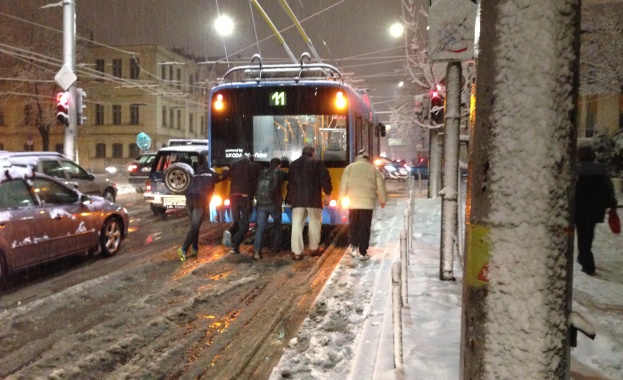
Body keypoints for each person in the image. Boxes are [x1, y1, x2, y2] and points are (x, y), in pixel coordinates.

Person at [574, 145, 617, 276]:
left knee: (582, 235)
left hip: (579, 209)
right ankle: (583, 257)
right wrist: (612, 204)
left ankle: (587, 263)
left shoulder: (576, 170)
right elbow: (609, 187)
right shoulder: (600, 169)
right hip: (595, 209)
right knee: (588, 233)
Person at [338, 150, 387, 261]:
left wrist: (340, 200)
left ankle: (354, 248)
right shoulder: (373, 170)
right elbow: (380, 186)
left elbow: (343, 185)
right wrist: (382, 200)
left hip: (353, 203)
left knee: (354, 224)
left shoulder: (349, 168)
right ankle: (363, 252)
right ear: (367, 159)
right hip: (367, 204)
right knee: (365, 227)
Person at [287, 145, 333, 261]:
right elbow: (325, 178)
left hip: (297, 199)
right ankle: (313, 249)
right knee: (315, 223)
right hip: (313, 198)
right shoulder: (317, 163)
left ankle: (297, 252)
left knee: (296, 225)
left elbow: (290, 182)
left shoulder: (293, 165)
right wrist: (328, 194)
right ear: (312, 153)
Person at [178, 159, 229, 262]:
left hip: (189, 200)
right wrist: (225, 170)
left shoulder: (195, 174)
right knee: (195, 226)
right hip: (200, 200)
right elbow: (223, 177)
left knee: (194, 225)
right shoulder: (211, 174)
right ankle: (183, 248)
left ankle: (195, 248)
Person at [223, 155, 262, 255]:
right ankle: (234, 245)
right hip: (245, 196)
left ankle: (230, 232)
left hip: (233, 196)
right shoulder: (254, 166)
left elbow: (230, 177)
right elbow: (260, 178)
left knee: (236, 220)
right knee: (245, 224)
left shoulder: (234, 165)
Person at [253, 158, 288, 260]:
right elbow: (287, 178)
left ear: (269, 164)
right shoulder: (280, 172)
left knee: (261, 227)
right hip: (273, 203)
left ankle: (257, 251)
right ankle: (276, 247)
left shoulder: (262, 172)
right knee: (277, 223)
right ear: (279, 165)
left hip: (261, 203)